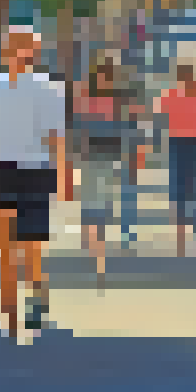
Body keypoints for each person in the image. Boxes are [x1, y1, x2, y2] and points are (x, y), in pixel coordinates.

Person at [0, 25, 67, 339]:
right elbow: (55, 138)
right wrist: (63, 177)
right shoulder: (48, 89)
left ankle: (15, 315)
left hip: (8, 169)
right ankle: (26, 309)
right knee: (24, 247)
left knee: (12, 249)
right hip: (27, 170)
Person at [72, 61, 143, 287]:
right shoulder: (86, 101)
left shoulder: (116, 103)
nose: (105, 81)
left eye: (108, 77)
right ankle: (89, 243)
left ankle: (98, 257)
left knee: (102, 205)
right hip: (89, 157)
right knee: (89, 201)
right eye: (102, 77)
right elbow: (78, 130)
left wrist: (130, 155)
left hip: (107, 157)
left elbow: (124, 130)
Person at [156, 64, 196, 257]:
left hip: (179, 144)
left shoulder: (170, 96)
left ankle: (182, 241)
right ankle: (195, 236)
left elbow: (161, 119)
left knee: (180, 190)